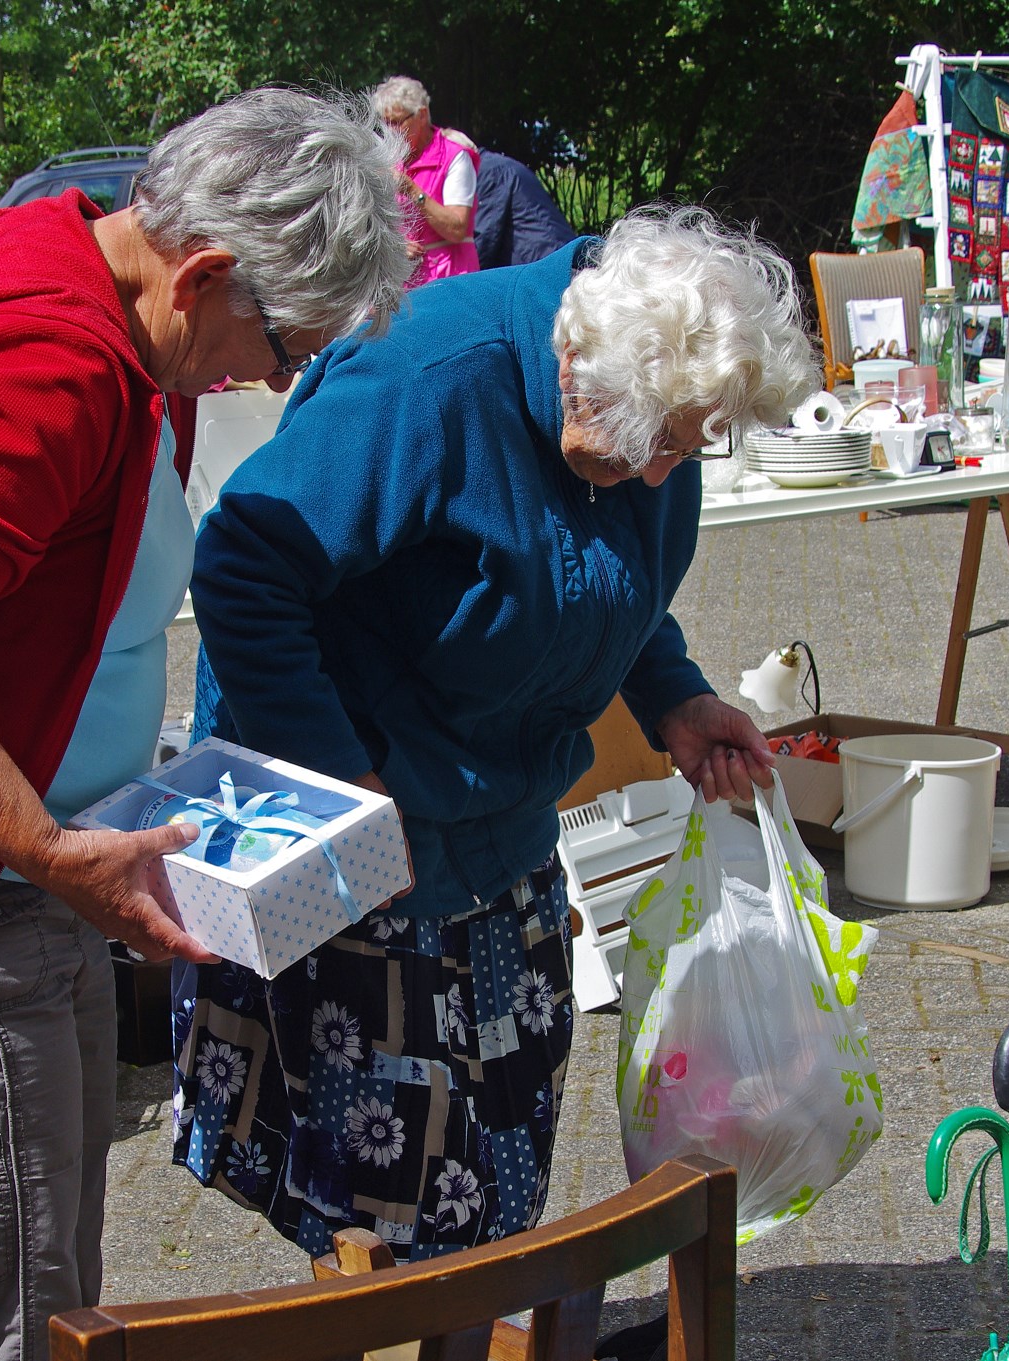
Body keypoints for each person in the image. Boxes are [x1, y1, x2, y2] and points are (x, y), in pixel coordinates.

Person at [0, 89, 410, 1361]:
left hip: (19, 872)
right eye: (275, 345)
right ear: (205, 270)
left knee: (49, 1280)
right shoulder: (45, 369)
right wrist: (47, 850)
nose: (264, 380)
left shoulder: (114, 307)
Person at [173, 206, 816, 1261]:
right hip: (368, 857)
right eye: (655, 441)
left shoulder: (649, 397)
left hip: (503, 839)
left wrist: (675, 698)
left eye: (687, 447)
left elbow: (606, 583)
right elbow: (244, 566)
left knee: (495, 1187)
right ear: (575, 363)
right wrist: (343, 781)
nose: (663, 472)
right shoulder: (426, 376)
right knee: (388, 1220)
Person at [370, 76, 480, 286]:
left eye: (397, 122)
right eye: (385, 124)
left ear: (422, 115)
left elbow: (456, 229)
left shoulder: (454, 156)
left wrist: (411, 189)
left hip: (452, 281)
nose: (390, 131)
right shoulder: (389, 161)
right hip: (404, 285)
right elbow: (372, 225)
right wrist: (396, 245)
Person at [472, 149, 575, 269]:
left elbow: (485, 242)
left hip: (546, 264)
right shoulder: (497, 165)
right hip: (555, 258)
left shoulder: (489, 171)